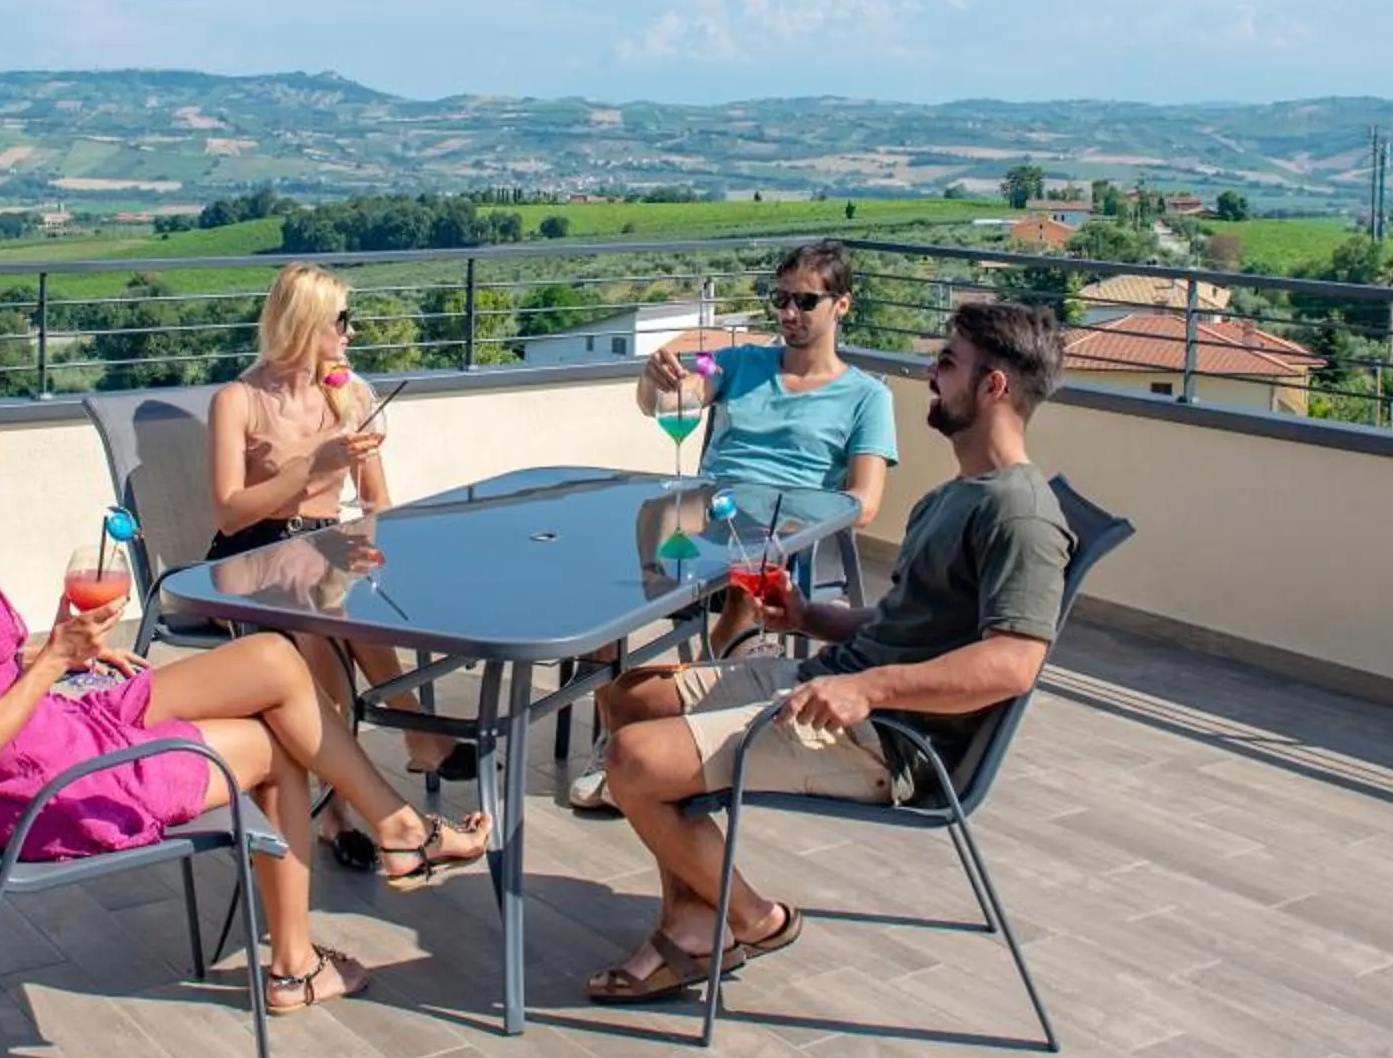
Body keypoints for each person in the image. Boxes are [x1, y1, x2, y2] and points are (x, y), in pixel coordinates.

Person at [0, 348, 488, 1015]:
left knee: (271, 659)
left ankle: (401, 830)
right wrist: (56, 658)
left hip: (55, 730)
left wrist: (51, 657)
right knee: (280, 745)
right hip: (49, 781)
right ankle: (300, 960)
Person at [581, 299, 1073, 1004]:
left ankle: (750, 918)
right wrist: (811, 615)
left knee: (633, 761)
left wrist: (869, 690)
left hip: (886, 737)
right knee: (629, 698)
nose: (930, 373)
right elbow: (907, 622)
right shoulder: (955, 494)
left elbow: (1012, 665)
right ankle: (695, 916)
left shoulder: (1018, 514)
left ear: (994, 387)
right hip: (833, 680)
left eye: (947, 362)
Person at [564, 239, 898, 811]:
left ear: (843, 305)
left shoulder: (867, 397)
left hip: (781, 526)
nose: (789, 314)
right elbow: (670, 403)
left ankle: (675, 729)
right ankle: (616, 736)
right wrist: (657, 382)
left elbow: (863, 502)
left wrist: (794, 515)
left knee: (756, 563)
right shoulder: (742, 364)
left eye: (805, 302)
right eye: (781, 299)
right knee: (607, 572)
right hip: (707, 511)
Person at [208, 264, 469, 872]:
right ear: (305, 326)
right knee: (323, 619)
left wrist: (380, 549)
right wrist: (309, 466)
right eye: (342, 321)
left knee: (345, 597)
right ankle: (385, 768)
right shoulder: (237, 401)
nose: (351, 332)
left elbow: (375, 501)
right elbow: (227, 514)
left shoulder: (348, 394)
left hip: (327, 550)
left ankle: (361, 787)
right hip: (252, 559)